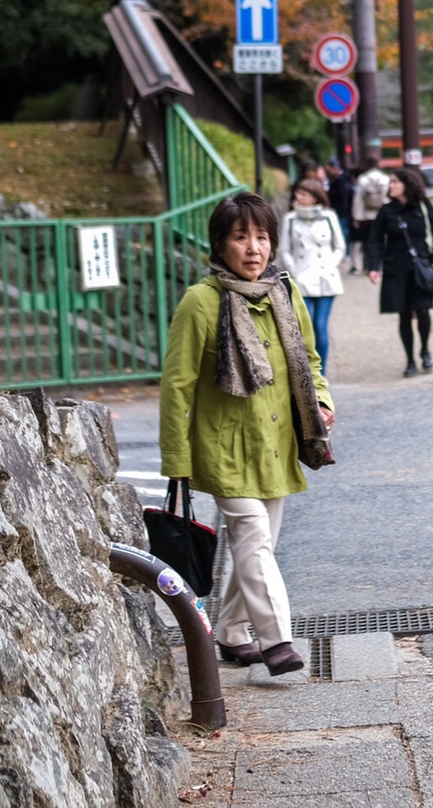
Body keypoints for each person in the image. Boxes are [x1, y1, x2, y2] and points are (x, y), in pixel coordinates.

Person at [159, 193, 334, 677]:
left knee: (256, 548)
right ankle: (277, 640)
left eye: (261, 237)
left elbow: (311, 360)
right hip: (223, 448)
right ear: (221, 244)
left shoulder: (285, 293)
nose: (253, 248)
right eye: (241, 237)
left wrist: (322, 402)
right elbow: (177, 386)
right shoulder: (201, 302)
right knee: (253, 538)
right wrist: (176, 459)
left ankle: (234, 633)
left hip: (276, 445)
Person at [366, 166, 433, 377]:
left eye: (395, 182)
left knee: (422, 310)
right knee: (403, 314)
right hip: (395, 269)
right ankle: (410, 359)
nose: (391, 186)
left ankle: (425, 350)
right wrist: (374, 266)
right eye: (390, 182)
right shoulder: (387, 211)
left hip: (421, 267)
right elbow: (375, 240)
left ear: (406, 184)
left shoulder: (423, 206)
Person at [280, 178, 345, 375]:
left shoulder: (328, 217)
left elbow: (339, 245)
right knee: (305, 325)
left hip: (326, 277)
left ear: (315, 198)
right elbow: (284, 249)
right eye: (298, 193)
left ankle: (321, 374)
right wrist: (295, 271)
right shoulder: (290, 219)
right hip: (302, 277)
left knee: (320, 325)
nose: (298, 197)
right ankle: (307, 371)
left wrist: (331, 264)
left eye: (304, 194)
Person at [349, 157, 392, 274]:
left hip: (366, 216)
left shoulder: (363, 179)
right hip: (381, 213)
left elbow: (357, 200)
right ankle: (380, 265)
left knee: (368, 242)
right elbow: (387, 198)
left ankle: (369, 266)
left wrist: (357, 217)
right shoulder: (384, 178)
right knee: (382, 240)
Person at [325, 161, 356, 267]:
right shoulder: (337, 179)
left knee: (342, 232)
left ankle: (345, 253)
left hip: (341, 210)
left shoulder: (340, 180)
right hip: (341, 210)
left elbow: (341, 195)